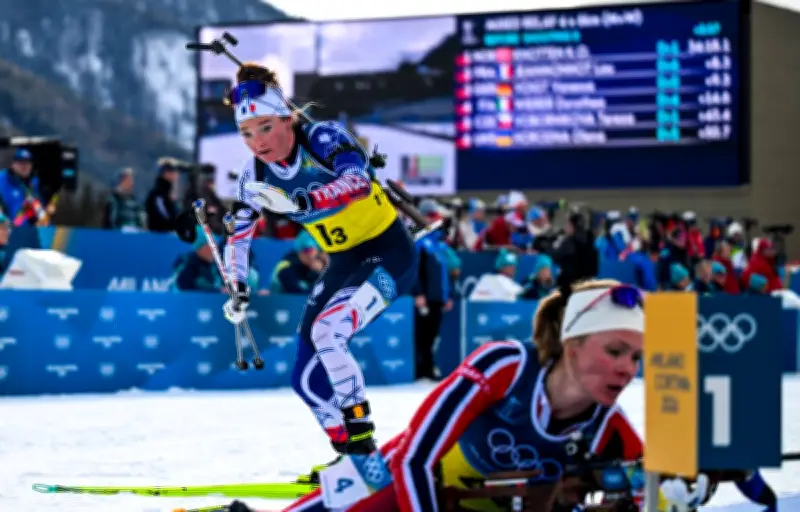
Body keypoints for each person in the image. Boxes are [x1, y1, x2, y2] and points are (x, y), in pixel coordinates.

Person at [268, 279, 775, 512]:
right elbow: (414, 460)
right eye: (615, 350)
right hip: (406, 482)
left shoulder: (607, 422)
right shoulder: (504, 366)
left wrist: (699, 479)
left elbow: (654, 489)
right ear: (572, 346)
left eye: (637, 357)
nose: (628, 369)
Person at [221, 63, 418, 482]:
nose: (258, 142)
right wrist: (237, 286)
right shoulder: (255, 175)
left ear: (288, 118)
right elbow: (238, 237)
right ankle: (347, 455)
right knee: (305, 376)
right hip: (343, 261)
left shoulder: (323, 137)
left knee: (329, 332)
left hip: (388, 252)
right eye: (246, 133)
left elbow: (357, 182)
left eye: (266, 127)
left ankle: (364, 450)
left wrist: (303, 202)